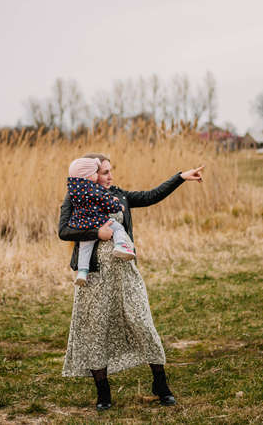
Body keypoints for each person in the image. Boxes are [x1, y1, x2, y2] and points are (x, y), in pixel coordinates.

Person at [59, 153, 204, 411]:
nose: (109, 176)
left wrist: (180, 177)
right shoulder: (75, 197)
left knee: (142, 322)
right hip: (94, 278)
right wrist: (96, 233)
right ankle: (103, 393)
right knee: (96, 331)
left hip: (126, 275)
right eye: (104, 172)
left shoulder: (118, 196)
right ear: (90, 175)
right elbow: (64, 230)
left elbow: (151, 196)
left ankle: (160, 384)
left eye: (109, 171)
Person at [67, 157, 135, 286]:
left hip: (83, 224)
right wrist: (117, 206)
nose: (96, 176)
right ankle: (120, 245)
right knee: (118, 228)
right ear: (87, 175)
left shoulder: (73, 190)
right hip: (98, 220)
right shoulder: (93, 189)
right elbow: (105, 202)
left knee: (84, 248)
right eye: (95, 173)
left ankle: (82, 272)